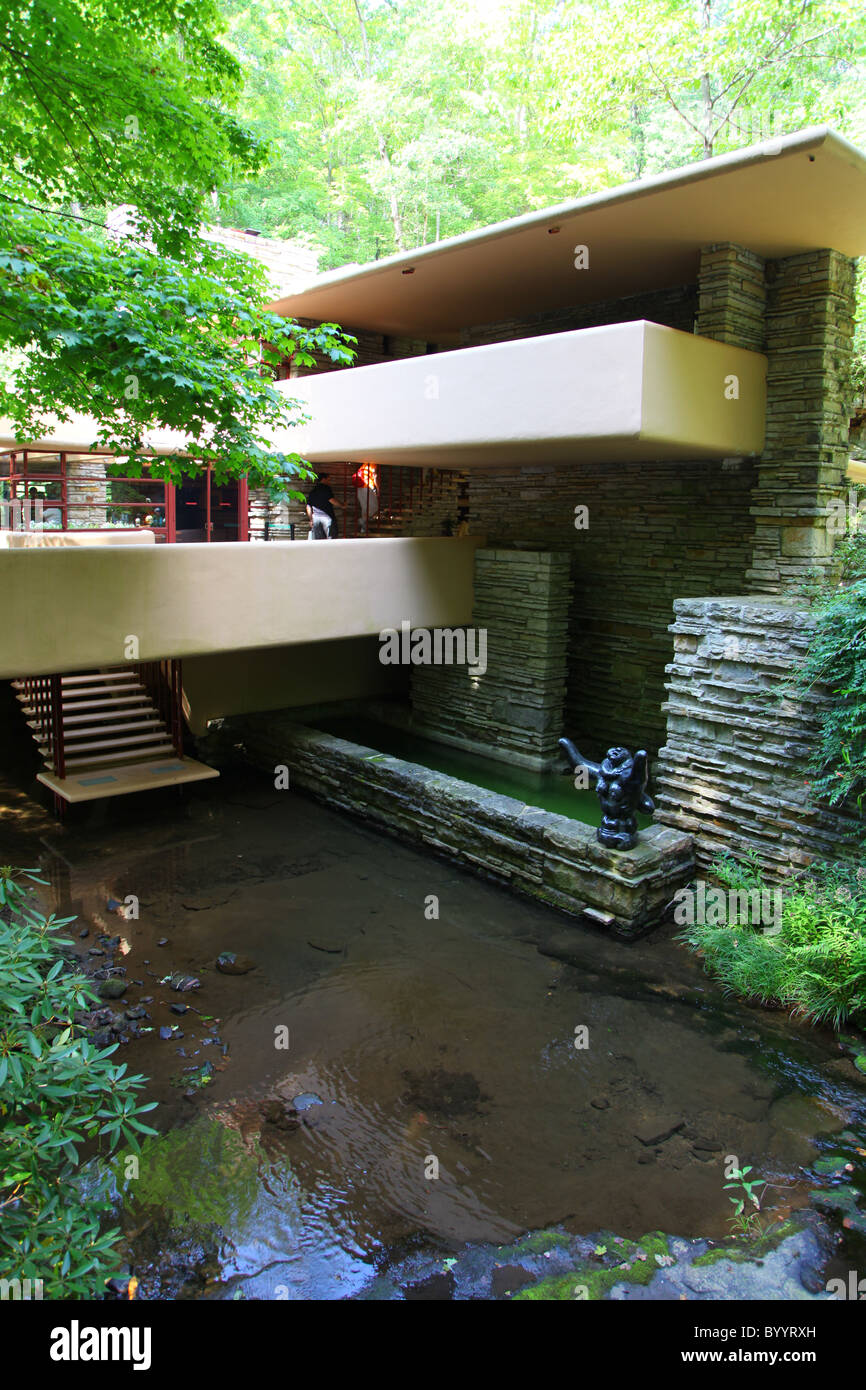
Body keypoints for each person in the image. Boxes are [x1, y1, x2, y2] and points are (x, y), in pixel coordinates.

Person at [305, 472, 343, 539]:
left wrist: (311, 519)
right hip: (327, 518)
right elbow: (332, 500)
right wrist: (342, 505)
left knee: (319, 541)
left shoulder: (313, 491)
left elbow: (308, 507)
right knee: (331, 539)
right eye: (328, 479)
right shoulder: (326, 488)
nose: (329, 481)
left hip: (316, 519)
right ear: (323, 479)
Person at [352, 463, 379, 535]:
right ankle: (362, 521)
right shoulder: (373, 465)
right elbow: (375, 478)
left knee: (364, 508)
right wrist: (378, 489)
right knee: (374, 507)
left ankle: (363, 529)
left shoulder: (363, 466)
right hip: (367, 488)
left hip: (359, 488)